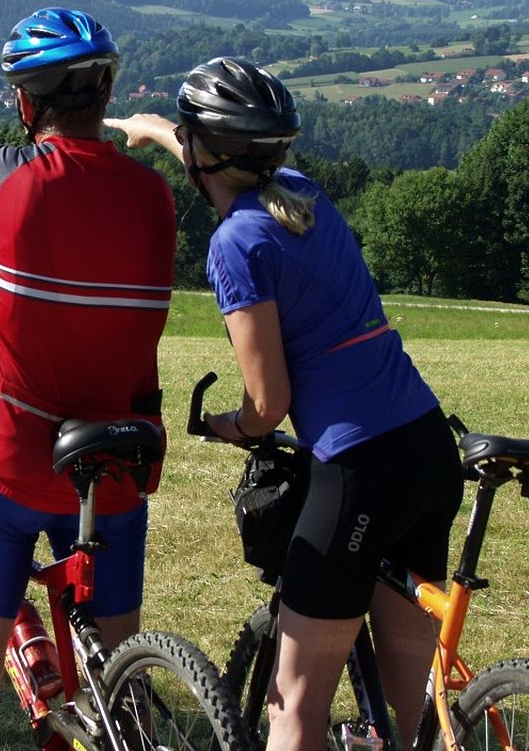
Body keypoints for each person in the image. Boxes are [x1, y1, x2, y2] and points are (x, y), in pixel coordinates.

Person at [105, 57, 463, 751]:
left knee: (293, 706)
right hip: (425, 446)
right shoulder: (301, 194)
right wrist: (148, 129)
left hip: (360, 471)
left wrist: (229, 426)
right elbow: (221, 159)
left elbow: (269, 403)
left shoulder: (235, 244)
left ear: (207, 153)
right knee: (418, 696)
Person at [0, 8, 177, 748]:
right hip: (115, 469)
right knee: (120, 698)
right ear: (105, 98)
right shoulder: (154, 198)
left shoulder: (3, 178)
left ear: (24, 103)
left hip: (7, 467)